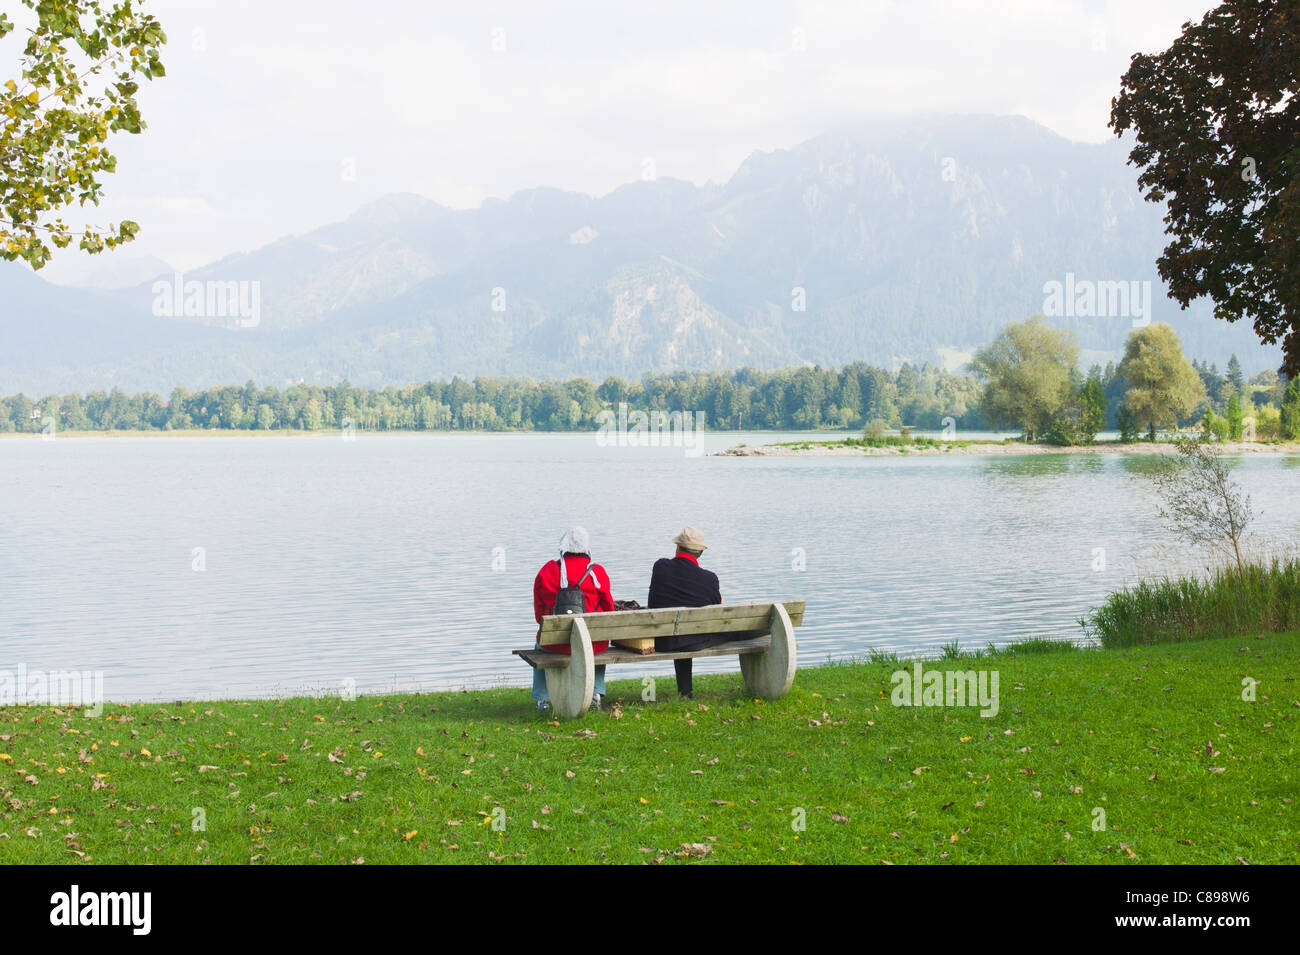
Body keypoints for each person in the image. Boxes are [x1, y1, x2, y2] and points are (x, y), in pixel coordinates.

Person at [532, 527, 613, 711]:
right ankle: (595, 694)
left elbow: (539, 615)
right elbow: (608, 608)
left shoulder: (548, 570)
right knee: (599, 642)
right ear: (586, 548)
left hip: (554, 644)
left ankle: (543, 700)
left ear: (563, 547)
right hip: (591, 643)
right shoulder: (596, 572)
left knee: (539, 644)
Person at [647, 526, 725, 699]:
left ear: (678, 547)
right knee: (742, 631)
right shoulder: (709, 578)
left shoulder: (660, 567)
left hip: (662, 640)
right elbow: (717, 614)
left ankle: (685, 692)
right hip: (694, 640)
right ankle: (685, 692)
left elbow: (652, 603)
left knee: (681, 629)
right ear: (700, 553)